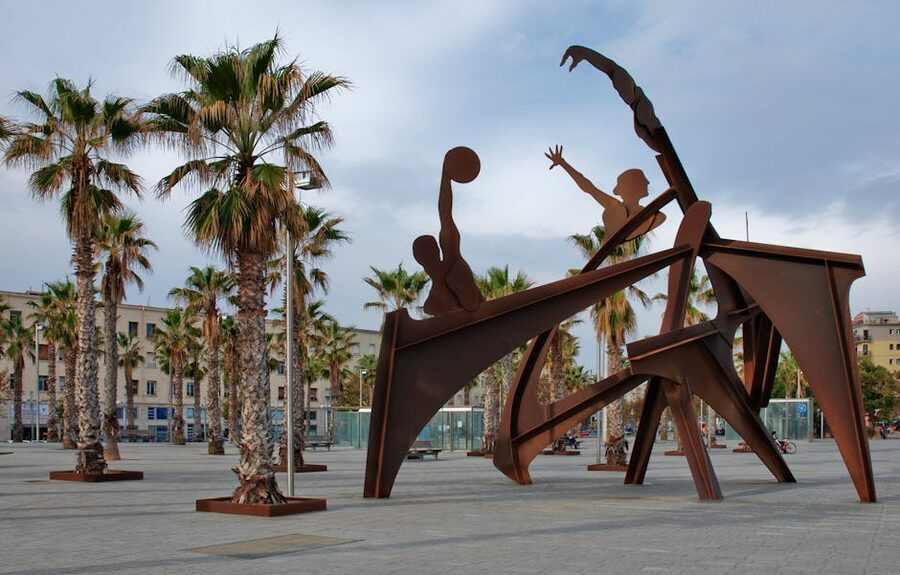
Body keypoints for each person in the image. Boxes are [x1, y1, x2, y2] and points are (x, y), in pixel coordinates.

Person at [413, 146, 483, 315]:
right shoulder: (435, 294)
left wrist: (446, 178)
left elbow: (444, 213)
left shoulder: (452, 259)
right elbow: (444, 214)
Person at [545, 145, 665, 243]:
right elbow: (589, 187)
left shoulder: (651, 215)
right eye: (642, 180)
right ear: (631, 186)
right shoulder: (614, 206)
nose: (648, 183)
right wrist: (563, 163)